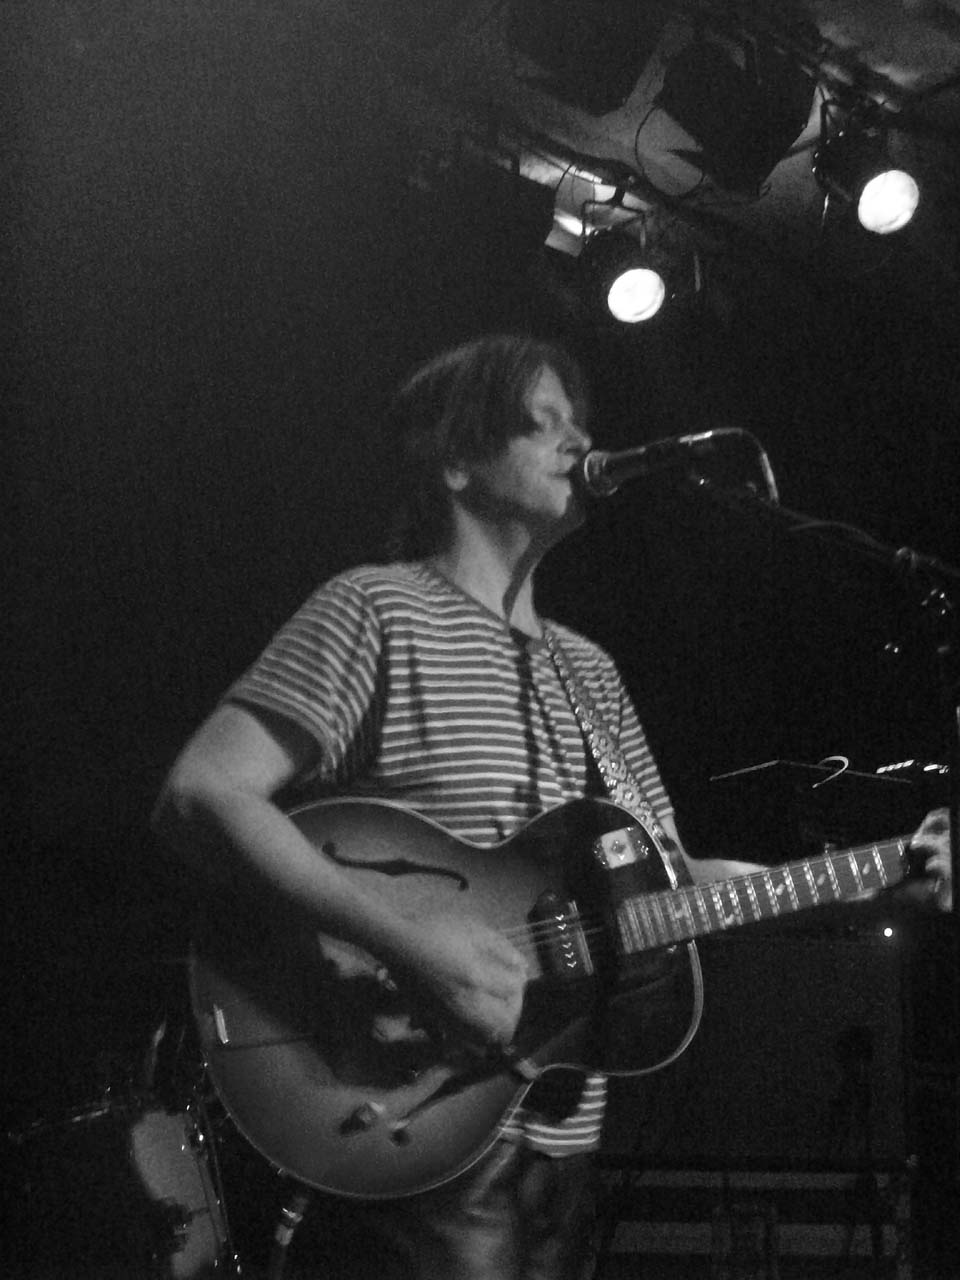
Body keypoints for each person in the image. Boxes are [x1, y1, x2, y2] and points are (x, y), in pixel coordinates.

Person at [153, 333, 952, 1280]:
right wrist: (421, 949)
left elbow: (672, 878)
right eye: (543, 423)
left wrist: (865, 881)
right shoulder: (376, 612)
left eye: (580, 421)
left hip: (558, 1154)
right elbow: (203, 794)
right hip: (405, 1118)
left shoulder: (589, 672)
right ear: (456, 462)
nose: (579, 442)